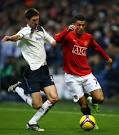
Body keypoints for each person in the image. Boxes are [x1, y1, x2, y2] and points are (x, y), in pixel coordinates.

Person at [2, 8, 59, 132]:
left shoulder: (41, 30)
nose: (36, 22)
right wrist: (10, 38)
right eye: (34, 20)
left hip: (44, 70)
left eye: (38, 19)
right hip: (33, 72)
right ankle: (18, 88)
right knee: (37, 105)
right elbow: (17, 37)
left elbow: (53, 42)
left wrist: (64, 35)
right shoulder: (26, 31)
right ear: (27, 20)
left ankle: (32, 122)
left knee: (54, 98)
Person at [55, 15, 112, 126]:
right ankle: (91, 122)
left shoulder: (88, 37)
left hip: (86, 74)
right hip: (72, 77)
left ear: (85, 26)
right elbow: (56, 40)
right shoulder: (68, 35)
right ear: (74, 25)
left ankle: (91, 100)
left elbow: (97, 47)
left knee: (100, 99)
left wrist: (107, 58)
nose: (81, 27)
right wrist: (67, 29)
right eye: (78, 25)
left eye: (83, 25)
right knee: (83, 105)